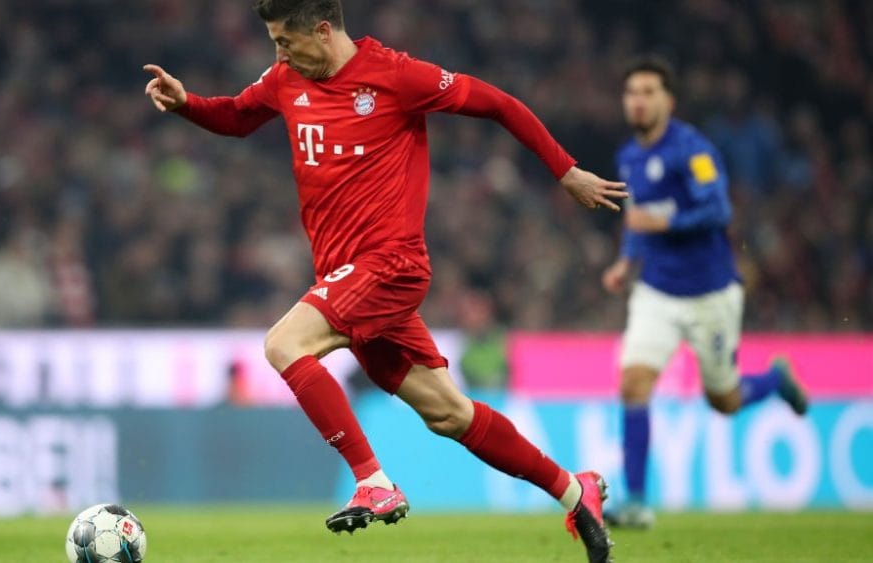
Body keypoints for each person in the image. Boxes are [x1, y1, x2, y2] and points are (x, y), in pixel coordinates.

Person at [145, 1, 626, 560]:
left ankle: (372, 481)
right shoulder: (285, 80)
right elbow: (235, 117)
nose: (278, 53)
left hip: (390, 265)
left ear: (322, 31)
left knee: (284, 344)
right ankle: (575, 490)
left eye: (285, 40)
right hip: (345, 276)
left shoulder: (397, 77)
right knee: (449, 413)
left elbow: (499, 103)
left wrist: (565, 170)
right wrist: (186, 105)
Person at [601, 56, 809, 528]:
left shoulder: (693, 149)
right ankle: (635, 502)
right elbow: (637, 218)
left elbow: (717, 210)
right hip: (656, 290)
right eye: (632, 91)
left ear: (668, 101)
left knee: (724, 400)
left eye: (649, 91)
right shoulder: (628, 156)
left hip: (709, 293)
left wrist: (666, 220)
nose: (639, 100)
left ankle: (776, 380)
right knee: (633, 381)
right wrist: (626, 262)